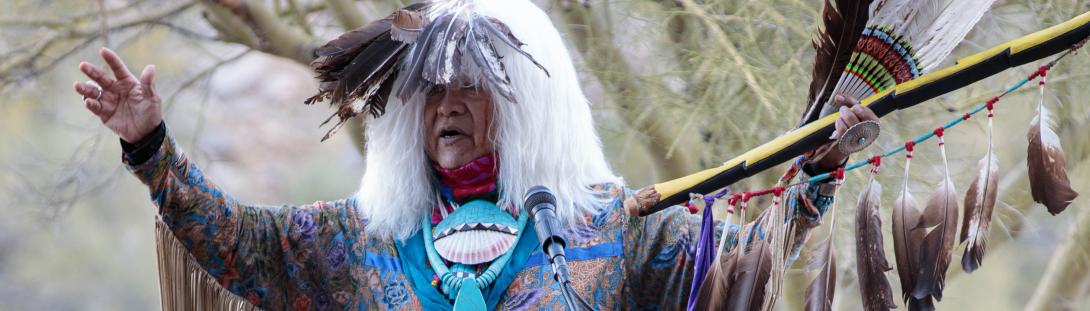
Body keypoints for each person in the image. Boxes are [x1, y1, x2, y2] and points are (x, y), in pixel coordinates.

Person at [73, 0, 878, 309]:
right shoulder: (360, 237)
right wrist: (151, 147)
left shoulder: (607, 224)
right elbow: (237, 242)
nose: (448, 103)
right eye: (431, 90)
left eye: (472, 86)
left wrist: (820, 164)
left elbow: (745, 258)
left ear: (525, 109)